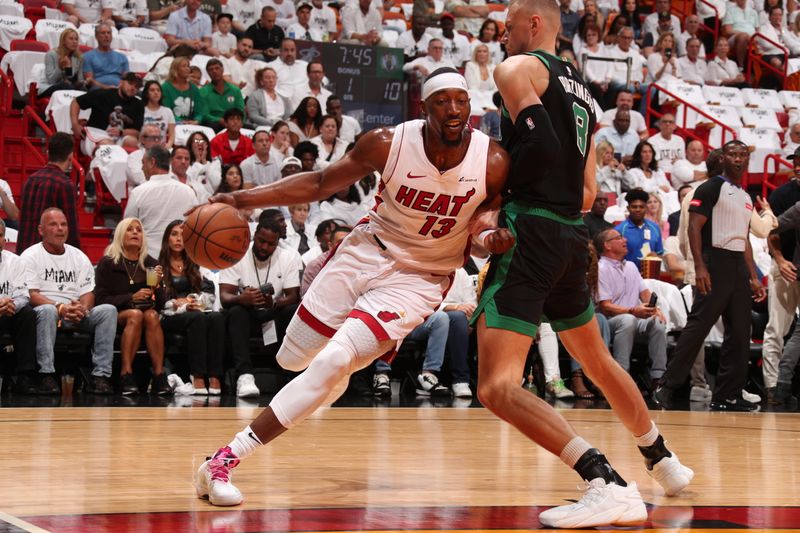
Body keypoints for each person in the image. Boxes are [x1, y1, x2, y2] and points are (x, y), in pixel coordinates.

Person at [190, 68, 511, 506]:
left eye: (461, 101)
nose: (454, 110)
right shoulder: (387, 143)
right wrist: (242, 200)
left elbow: (479, 233)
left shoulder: (491, 161)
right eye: (443, 101)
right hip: (365, 251)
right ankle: (332, 375)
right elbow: (320, 183)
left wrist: (490, 241)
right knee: (294, 357)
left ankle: (223, 460)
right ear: (424, 108)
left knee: (332, 363)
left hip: (419, 278)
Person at [471, 1, 691, 527]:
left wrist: (492, 186)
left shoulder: (515, 69)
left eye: (509, 23)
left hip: (532, 229)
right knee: (597, 362)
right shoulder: (583, 91)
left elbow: (540, 144)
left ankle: (605, 481)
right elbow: (591, 190)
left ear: (535, 24)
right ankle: (662, 458)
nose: (502, 33)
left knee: (496, 387)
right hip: (573, 233)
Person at [654, 141, 767, 412]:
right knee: (699, 327)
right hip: (714, 262)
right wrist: (701, 266)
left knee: (741, 333)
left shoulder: (746, 196)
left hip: (738, 265)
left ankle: (728, 394)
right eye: (733, 154)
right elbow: (694, 227)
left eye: (742, 155)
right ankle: (666, 386)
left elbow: (745, 240)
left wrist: (753, 276)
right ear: (723, 158)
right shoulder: (711, 187)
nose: (738, 159)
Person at [23, 208, 118, 395]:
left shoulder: (78, 256)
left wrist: (82, 308)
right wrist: (60, 307)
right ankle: (46, 375)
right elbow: (31, 294)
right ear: (41, 230)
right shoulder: (30, 256)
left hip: (75, 312)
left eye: (64, 224)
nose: (60, 229)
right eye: (53, 224)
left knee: (108, 310)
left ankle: (100, 376)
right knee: (47, 311)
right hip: (46, 313)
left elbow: (88, 292)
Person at [218, 218, 301, 398]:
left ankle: (293, 374)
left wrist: (274, 303)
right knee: (236, 311)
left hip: (273, 314)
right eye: (261, 241)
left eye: (271, 244)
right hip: (247, 314)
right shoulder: (236, 255)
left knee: (293, 311)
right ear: (254, 236)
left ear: (278, 243)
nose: (264, 247)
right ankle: (245, 376)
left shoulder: (288, 257)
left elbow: (294, 296)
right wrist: (243, 298)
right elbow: (224, 297)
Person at [94, 218, 171, 395]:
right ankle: (126, 373)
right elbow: (101, 299)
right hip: (117, 313)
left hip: (146, 312)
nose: (136, 232)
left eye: (139, 230)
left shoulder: (151, 264)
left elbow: (159, 304)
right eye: (130, 230)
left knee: (151, 315)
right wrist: (131, 297)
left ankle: (159, 375)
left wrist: (159, 285)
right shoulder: (108, 263)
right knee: (135, 314)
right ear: (121, 234)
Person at [157, 220, 226, 395]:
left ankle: (215, 376)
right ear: (167, 239)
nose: (179, 239)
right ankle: (198, 376)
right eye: (174, 234)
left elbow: (209, 292)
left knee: (216, 317)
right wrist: (176, 304)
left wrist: (195, 302)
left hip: (195, 311)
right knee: (197, 318)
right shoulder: (159, 266)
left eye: (183, 235)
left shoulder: (197, 263)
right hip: (169, 316)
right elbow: (158, 299)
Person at [595, 228, 667, 388]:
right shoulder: (601, 269)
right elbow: (605, 306)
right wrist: (632, 311)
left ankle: (658, 378)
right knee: (628, 320)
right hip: (611, 322)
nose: (625, 240)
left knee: (657, 322)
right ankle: (622, 376)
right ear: (607, 245)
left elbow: (645, 294)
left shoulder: (631, 266)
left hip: (635, 317)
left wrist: (656, 309)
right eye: (619, 237)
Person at [761, 150, 800, 404]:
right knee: (777, 328)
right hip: (784, 267)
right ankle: (773, 387)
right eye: (796, 164)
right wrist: (780, 259)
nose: (798, 168)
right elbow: (769, 229)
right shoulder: (782, 195)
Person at [125, 146, 198, 257]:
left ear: (152, 162)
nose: (142, 168)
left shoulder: (138, 192)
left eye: (143, 163)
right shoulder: (188, 191)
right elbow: (197, 227)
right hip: (179, 261)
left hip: (149, 262)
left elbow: (127, 229)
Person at [17, 133, 81, 254]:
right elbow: (71, 227)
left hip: (25, 252)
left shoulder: (30, 180)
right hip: (50, 257)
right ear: (70, 156)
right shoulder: (65, 184)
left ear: (47, 153)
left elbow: (23, 221)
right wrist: (77, 255)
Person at [0, 219, 39, 395]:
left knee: (28, 313)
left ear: (5, 239)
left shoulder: (15, 262)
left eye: (0, 235)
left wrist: (11, 305)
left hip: (8, 313)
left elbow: (24, 295)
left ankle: (25, 376)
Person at [70, 72, 144, 156]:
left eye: (137, 86)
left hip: (119, 136)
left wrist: (121, 132)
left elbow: (136, 132)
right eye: (130, 83)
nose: (133, 88)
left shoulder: (138, 104)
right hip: (96, 134)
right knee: (108, 146)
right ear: (121, 82)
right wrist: (75, 124)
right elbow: (76, 102)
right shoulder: (104, 94)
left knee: (132, 142)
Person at [615, 189, 664, 269]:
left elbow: (660, 253)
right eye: (634, 207)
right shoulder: (619, 230)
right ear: (628, 208)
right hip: (627, 275)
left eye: (641, 207)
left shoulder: (654, 228)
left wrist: (656, 256)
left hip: (649, 276)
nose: (638, 210)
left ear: (646, 208)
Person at [200, 59, 245, 131]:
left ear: (222, 70)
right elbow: (204, 114)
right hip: (215, 123)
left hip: (234, 122)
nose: (214, 71)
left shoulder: (235, 90)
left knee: (251, 128)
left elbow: (241, 110)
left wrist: (235, 121)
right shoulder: (203, 92)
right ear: (208, 73)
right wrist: (219, 120)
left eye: (217, 68)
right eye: (211, 69)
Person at [83, 23, 130, 90]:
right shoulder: (87, 56)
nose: (106, 35)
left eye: (108, 33)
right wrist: (106, 88)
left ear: (111, 36)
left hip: (119, 91)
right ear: (96, 36)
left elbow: (127, 79)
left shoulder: (122, 57)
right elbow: (89, 81)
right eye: (103, 33)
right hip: (98, 91)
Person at [40, 28, 85, 97]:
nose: (74, 42)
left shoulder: (78, 58)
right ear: (63, 41)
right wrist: (60, 67)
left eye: (76, 39)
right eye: (71, 39)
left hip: (68, 86)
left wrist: (85, 82)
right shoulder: (51, 54)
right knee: (65, 86)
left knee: (87, 91)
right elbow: (51, 81)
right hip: (49, 87)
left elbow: (79, 79)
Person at [161, 57, 207, 125]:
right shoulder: (165, 87)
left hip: (191, 125)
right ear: (175, 69)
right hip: (172, 124)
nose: (187, 68)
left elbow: (199, 111)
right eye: (184, 66)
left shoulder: (193, 88)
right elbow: (166, 110)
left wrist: (197, 120)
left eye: (188, 66)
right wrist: (180, 122)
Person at [142, 80, 176, 149]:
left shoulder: (168, 111)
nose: (156, 92)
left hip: (162, 147)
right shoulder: (141, 110)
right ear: (146, 93)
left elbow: (172, 135)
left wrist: (168, 145)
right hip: (144, 147)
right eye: (152, 90)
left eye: (158, 90)